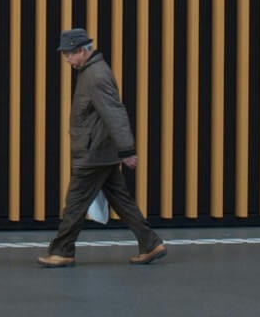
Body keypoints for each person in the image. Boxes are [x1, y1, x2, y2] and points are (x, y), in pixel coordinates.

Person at [38, 28, 167, 268]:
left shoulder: (95, 76)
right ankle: (150, 243)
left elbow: (114, 112)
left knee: (75, 203)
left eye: (68, 54)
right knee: (121, 200)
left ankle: (62, 251)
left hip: (93, 153)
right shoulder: (90, 72)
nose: (66, 59)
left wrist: (127, 149)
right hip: (100, 150)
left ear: (83, 50)